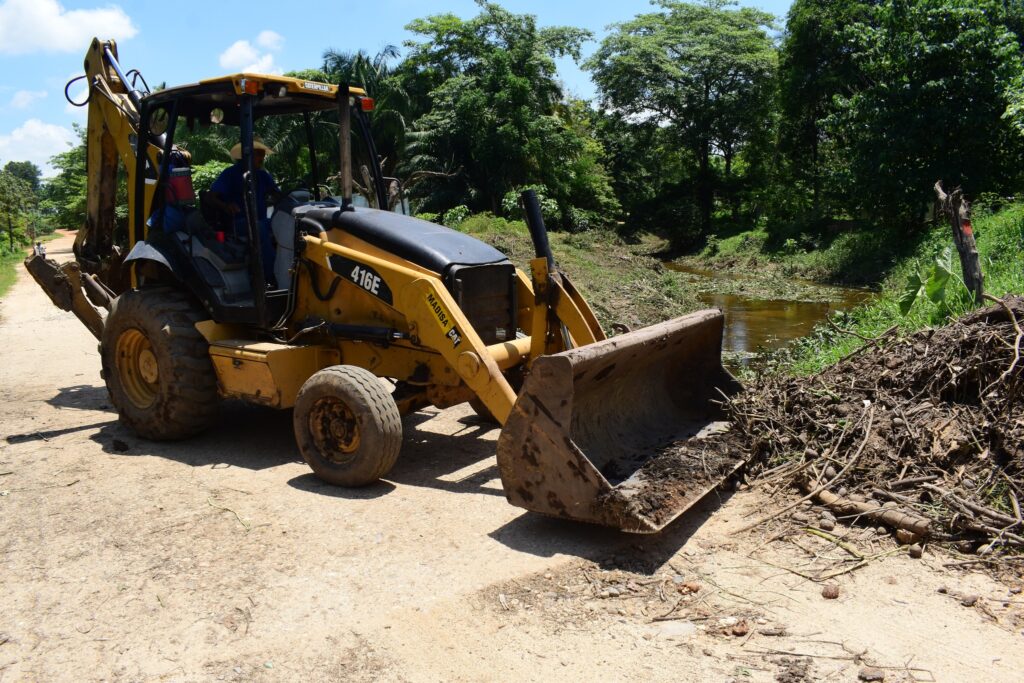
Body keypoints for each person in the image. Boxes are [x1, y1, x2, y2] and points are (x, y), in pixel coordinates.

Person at [207, 139, 281, 285]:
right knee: (258, 228)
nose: (262, 159)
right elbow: (211, 197)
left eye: (263, 155)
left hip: (260, 221)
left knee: (283, 223)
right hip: (238, 223)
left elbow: (277, 194)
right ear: (248, 156)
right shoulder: (230, 174)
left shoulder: (262, 175)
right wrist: (226, 206)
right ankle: (271, 276)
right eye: (259, 155)